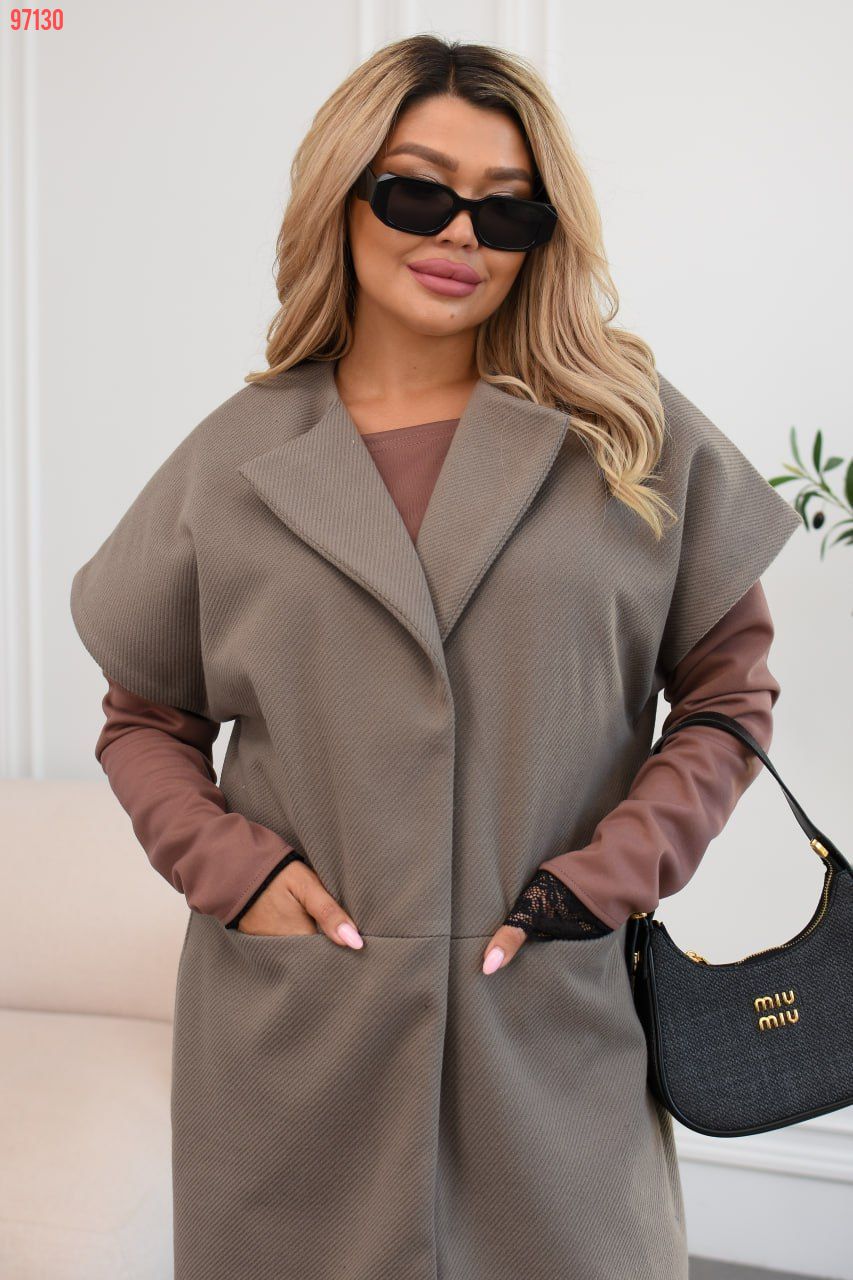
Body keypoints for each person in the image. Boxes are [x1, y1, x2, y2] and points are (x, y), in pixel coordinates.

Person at [69, 34, 801, 1280]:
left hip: (551, 1020)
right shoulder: (232, 458)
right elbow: (145, 716)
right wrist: (235, 871)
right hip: (296, 1036)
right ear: (343, 196)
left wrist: (610, 876)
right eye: (417, 191)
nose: (461, 232)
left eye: (507, 206)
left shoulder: (628, 433)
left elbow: (729, 691)